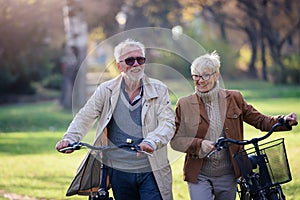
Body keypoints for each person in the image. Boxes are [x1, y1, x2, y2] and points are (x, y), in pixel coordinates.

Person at [55, 38, 175, 200]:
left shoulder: (159, 89)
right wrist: (70, 138)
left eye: (140, 60)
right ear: (119, 66)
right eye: (130, 60)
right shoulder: (106, 90)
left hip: (151, 170)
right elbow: (85, 116)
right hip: (119, 170)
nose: (136, 64)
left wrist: (151, 141)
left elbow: (168, 123)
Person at [170, 51, 298, 200]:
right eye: (196, 76)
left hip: (229, 173)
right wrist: (199, 145)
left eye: (205, 75)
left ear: (216, 75)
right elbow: (176, 140)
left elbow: (260, 120)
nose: (200, 80)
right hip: (199, 174)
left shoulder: (234, 98)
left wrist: (282, 120)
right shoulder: (184, 104)